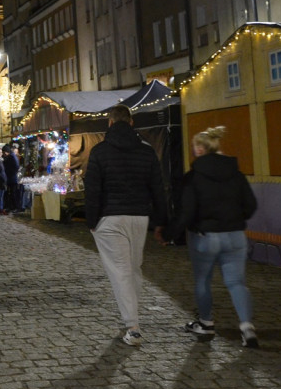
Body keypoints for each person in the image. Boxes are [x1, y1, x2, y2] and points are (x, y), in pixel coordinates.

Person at [158, 126, 258, 348]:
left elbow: (186, 212)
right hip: (235, 236)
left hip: (205, 237)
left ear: (201, 149)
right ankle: (247, 326)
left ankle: (206, 322)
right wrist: (234, 220)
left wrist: (168, 234)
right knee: (236, 282)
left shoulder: (193, 177)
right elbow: (250, 205)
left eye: (194, 147)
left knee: (203, 280)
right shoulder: (236, 174)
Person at [84, 104, 168, 347]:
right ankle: (132, 321)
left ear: (109, 123)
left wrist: (91, 220)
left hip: (110, 218)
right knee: (133, 268)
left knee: (121, 271)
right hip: (139, 217)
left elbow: (93, 189)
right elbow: (157, 189)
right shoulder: (147, 151)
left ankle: (133, 326)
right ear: (131, 123)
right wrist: (161, 221)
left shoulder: (100, 152)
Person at [3, 144, 21, 212]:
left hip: (11, 178)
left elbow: (15, 167)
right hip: (11, 178)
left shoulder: (11, 157)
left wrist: (10, 174)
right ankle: (12, 207)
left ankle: (15, 207)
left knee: (13, 193)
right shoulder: (12, 157)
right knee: (11, 193)